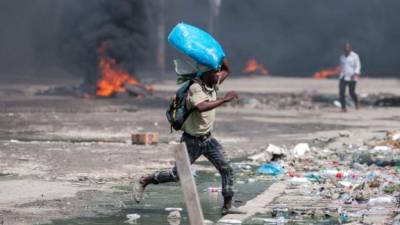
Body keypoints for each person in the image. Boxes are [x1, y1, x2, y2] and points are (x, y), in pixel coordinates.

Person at [133, 59, 244, 215]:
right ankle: (145, 180)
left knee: (227, 168)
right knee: (176, 175)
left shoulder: (211, 81)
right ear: (206, 73)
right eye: (215, 71)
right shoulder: (195, 88)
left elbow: (227, 70)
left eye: (217, 71)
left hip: (208, 139)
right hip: (191, 141)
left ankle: (227, 206)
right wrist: (224, 100)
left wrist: (218, 53)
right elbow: (201, 107)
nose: (218, 74)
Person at [339, 42, 361, 112]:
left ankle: (356, 102)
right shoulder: (342, 57)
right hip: (343, 76)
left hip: (352, 77)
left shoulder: (355, 56)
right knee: (341, 92)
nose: (346, 49)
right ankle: (343, 107)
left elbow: (358, 65)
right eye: (345, 47)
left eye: (348, 47)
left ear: (350, 48)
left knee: (351, 92)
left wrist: (355, 74)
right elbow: (342, 66)